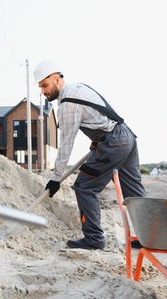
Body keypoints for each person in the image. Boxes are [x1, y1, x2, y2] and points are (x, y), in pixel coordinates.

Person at [34, 59, 146, 250]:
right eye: (40, 87)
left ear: (57, 79)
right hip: (126, 136)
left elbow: (65, 145)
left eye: (45, 85)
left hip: (113, 143)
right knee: (134, 193)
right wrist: (98, 142)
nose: (43, 91)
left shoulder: (67, 105)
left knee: (84, 187)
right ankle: (149, 237)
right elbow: (100, 118)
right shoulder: (79, 88)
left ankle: (94, 238)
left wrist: (55, 178)